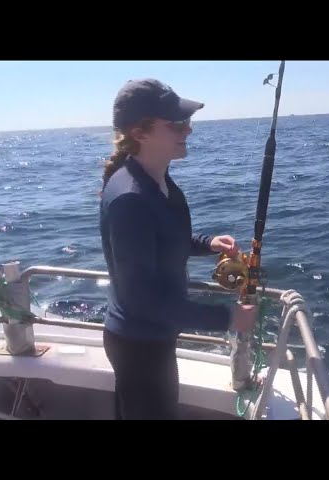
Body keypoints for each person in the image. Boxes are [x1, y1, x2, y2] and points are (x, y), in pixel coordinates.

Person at [99, 78, 258, 420]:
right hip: (139, 346)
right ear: (140, 133)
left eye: (188, 122)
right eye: (177, 124)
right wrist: (227, 317)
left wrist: (207, 244)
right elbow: (141, 301)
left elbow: (163, 240)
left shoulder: (155, 178)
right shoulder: (131, 198)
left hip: (152, 338)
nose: (188, 130)